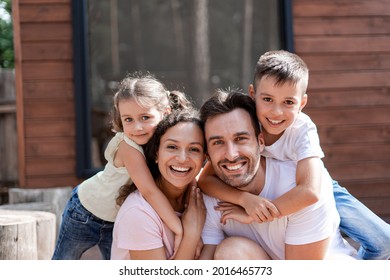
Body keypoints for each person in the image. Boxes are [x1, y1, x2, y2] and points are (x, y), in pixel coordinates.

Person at [198, 50, 390, 260]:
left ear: (302, 103)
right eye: (268, 99)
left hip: (313, 181)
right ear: (253, 96)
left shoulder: (302, 128)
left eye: (288, 103)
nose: (276, 112)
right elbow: (206, 180)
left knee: (383, 241)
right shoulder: (246, 121)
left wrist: (256, 214)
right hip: (277, 188)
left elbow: (310, 192)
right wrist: (245, 200)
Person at [198, 90, 359, 260]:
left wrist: (256, 213)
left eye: (241, 139)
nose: (231, 155)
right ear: (207, 154)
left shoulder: (298, 186)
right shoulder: (211, 197)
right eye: (218, 143)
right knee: (231, 251)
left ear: (261, 142)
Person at [52, 72, 192, 259]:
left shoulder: (164, 143)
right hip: (85, 212)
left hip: (117, 220)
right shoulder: (128, 146)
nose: (137, 127)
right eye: (128, 120)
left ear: (165, 112)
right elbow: (149, 190)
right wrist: (180, 228)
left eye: (145, 117)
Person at [111, 108, 206, 259]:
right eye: (172, 147)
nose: (182, 158)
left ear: (204, 158)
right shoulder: (138, 212)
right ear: (156, 153)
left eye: (194, 149)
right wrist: (192, 235)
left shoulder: (201, 199)